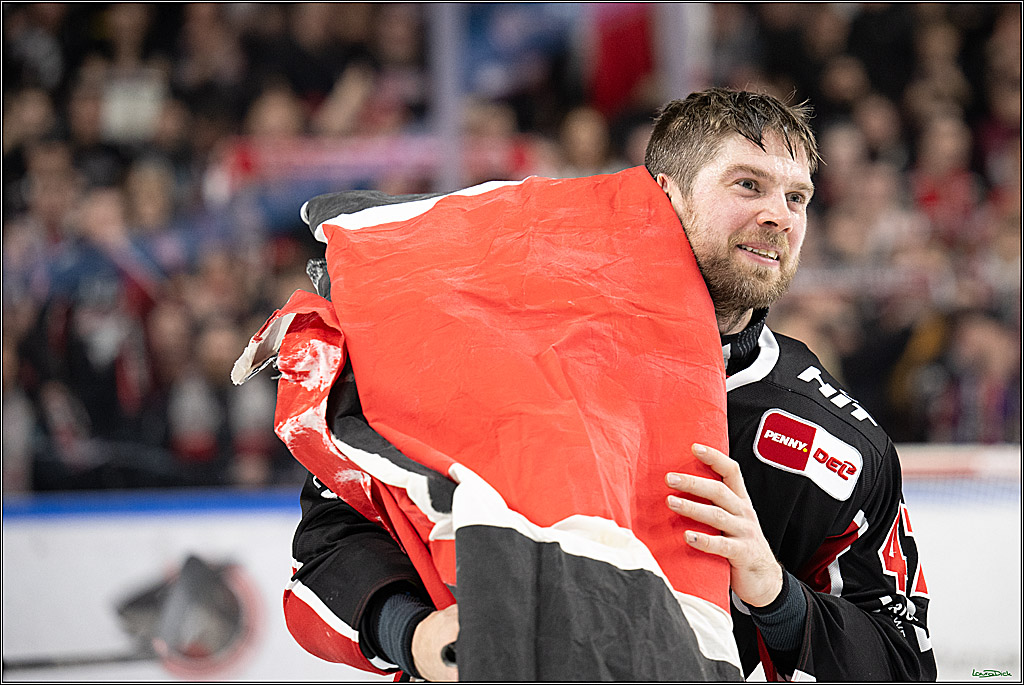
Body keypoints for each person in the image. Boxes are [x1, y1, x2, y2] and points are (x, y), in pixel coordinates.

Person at [272, 88, 936, 681]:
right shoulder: (504, 333)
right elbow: (332, 534)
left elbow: (907, 663)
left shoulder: (839, 442)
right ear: (666, 196)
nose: (780, 216)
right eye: (747, 184)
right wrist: (413, 633)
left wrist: (775, 592)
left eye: (798, 197)